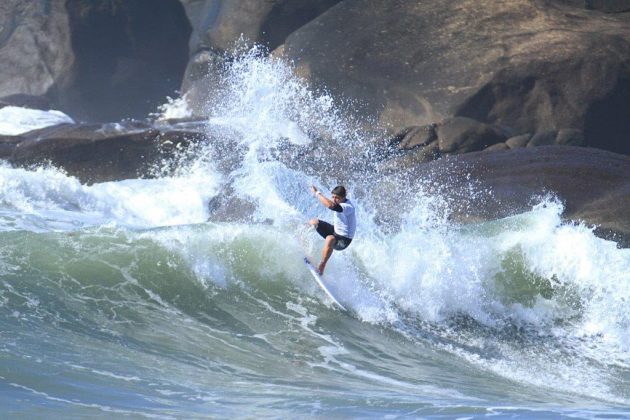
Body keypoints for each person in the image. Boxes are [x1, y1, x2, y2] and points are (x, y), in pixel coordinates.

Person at [309, 185, 356, 275]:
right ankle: (300, 236)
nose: (334, 200)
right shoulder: (340, 202)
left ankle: (322, 266)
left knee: (330, 238)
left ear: (343, 197)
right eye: (333, 197)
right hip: (336, 232)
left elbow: (331, 205)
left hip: (344, 241)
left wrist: (317, 193)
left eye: (337, 198)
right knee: (314, 222)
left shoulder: (348, 207)